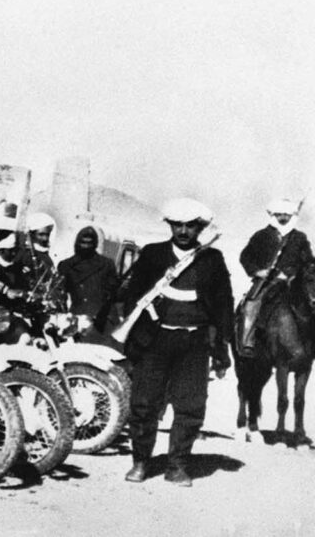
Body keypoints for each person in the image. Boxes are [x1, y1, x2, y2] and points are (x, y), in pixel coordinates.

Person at [121, 198, 232, 487]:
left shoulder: (212, 259)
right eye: (177, 224)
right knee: (144, 404)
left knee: (191, 406)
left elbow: (223, 305)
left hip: (194, 343)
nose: (183, 231)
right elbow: (133, 295)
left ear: (201, 227)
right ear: (169, 225)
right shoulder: (153, 254)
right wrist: (136, 338)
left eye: (190, 225)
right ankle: (141, 462)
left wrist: (221, 346)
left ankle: (178, 465)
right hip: (155, 341)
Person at [238, 198, 314, 365]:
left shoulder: (299, 238)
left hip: (292, 282)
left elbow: (308, 261)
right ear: (272, 215)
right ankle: (247, 341)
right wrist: (258, 271)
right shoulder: (261, 236)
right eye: (279, 214)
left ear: (292, 216)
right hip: (266, 283)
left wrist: (293, 273)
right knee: (250, 305)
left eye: (286, 214)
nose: (283, 218)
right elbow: (245, 257)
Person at [57, 226, 119, 338]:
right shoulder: (65, 265)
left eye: (89, 243)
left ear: (95, 244)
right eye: (83, 243)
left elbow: (113, 294)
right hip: (77, 319)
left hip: (101, 319)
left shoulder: (107, 264)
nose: (86, 246)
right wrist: (64, 318)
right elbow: (60, 296)